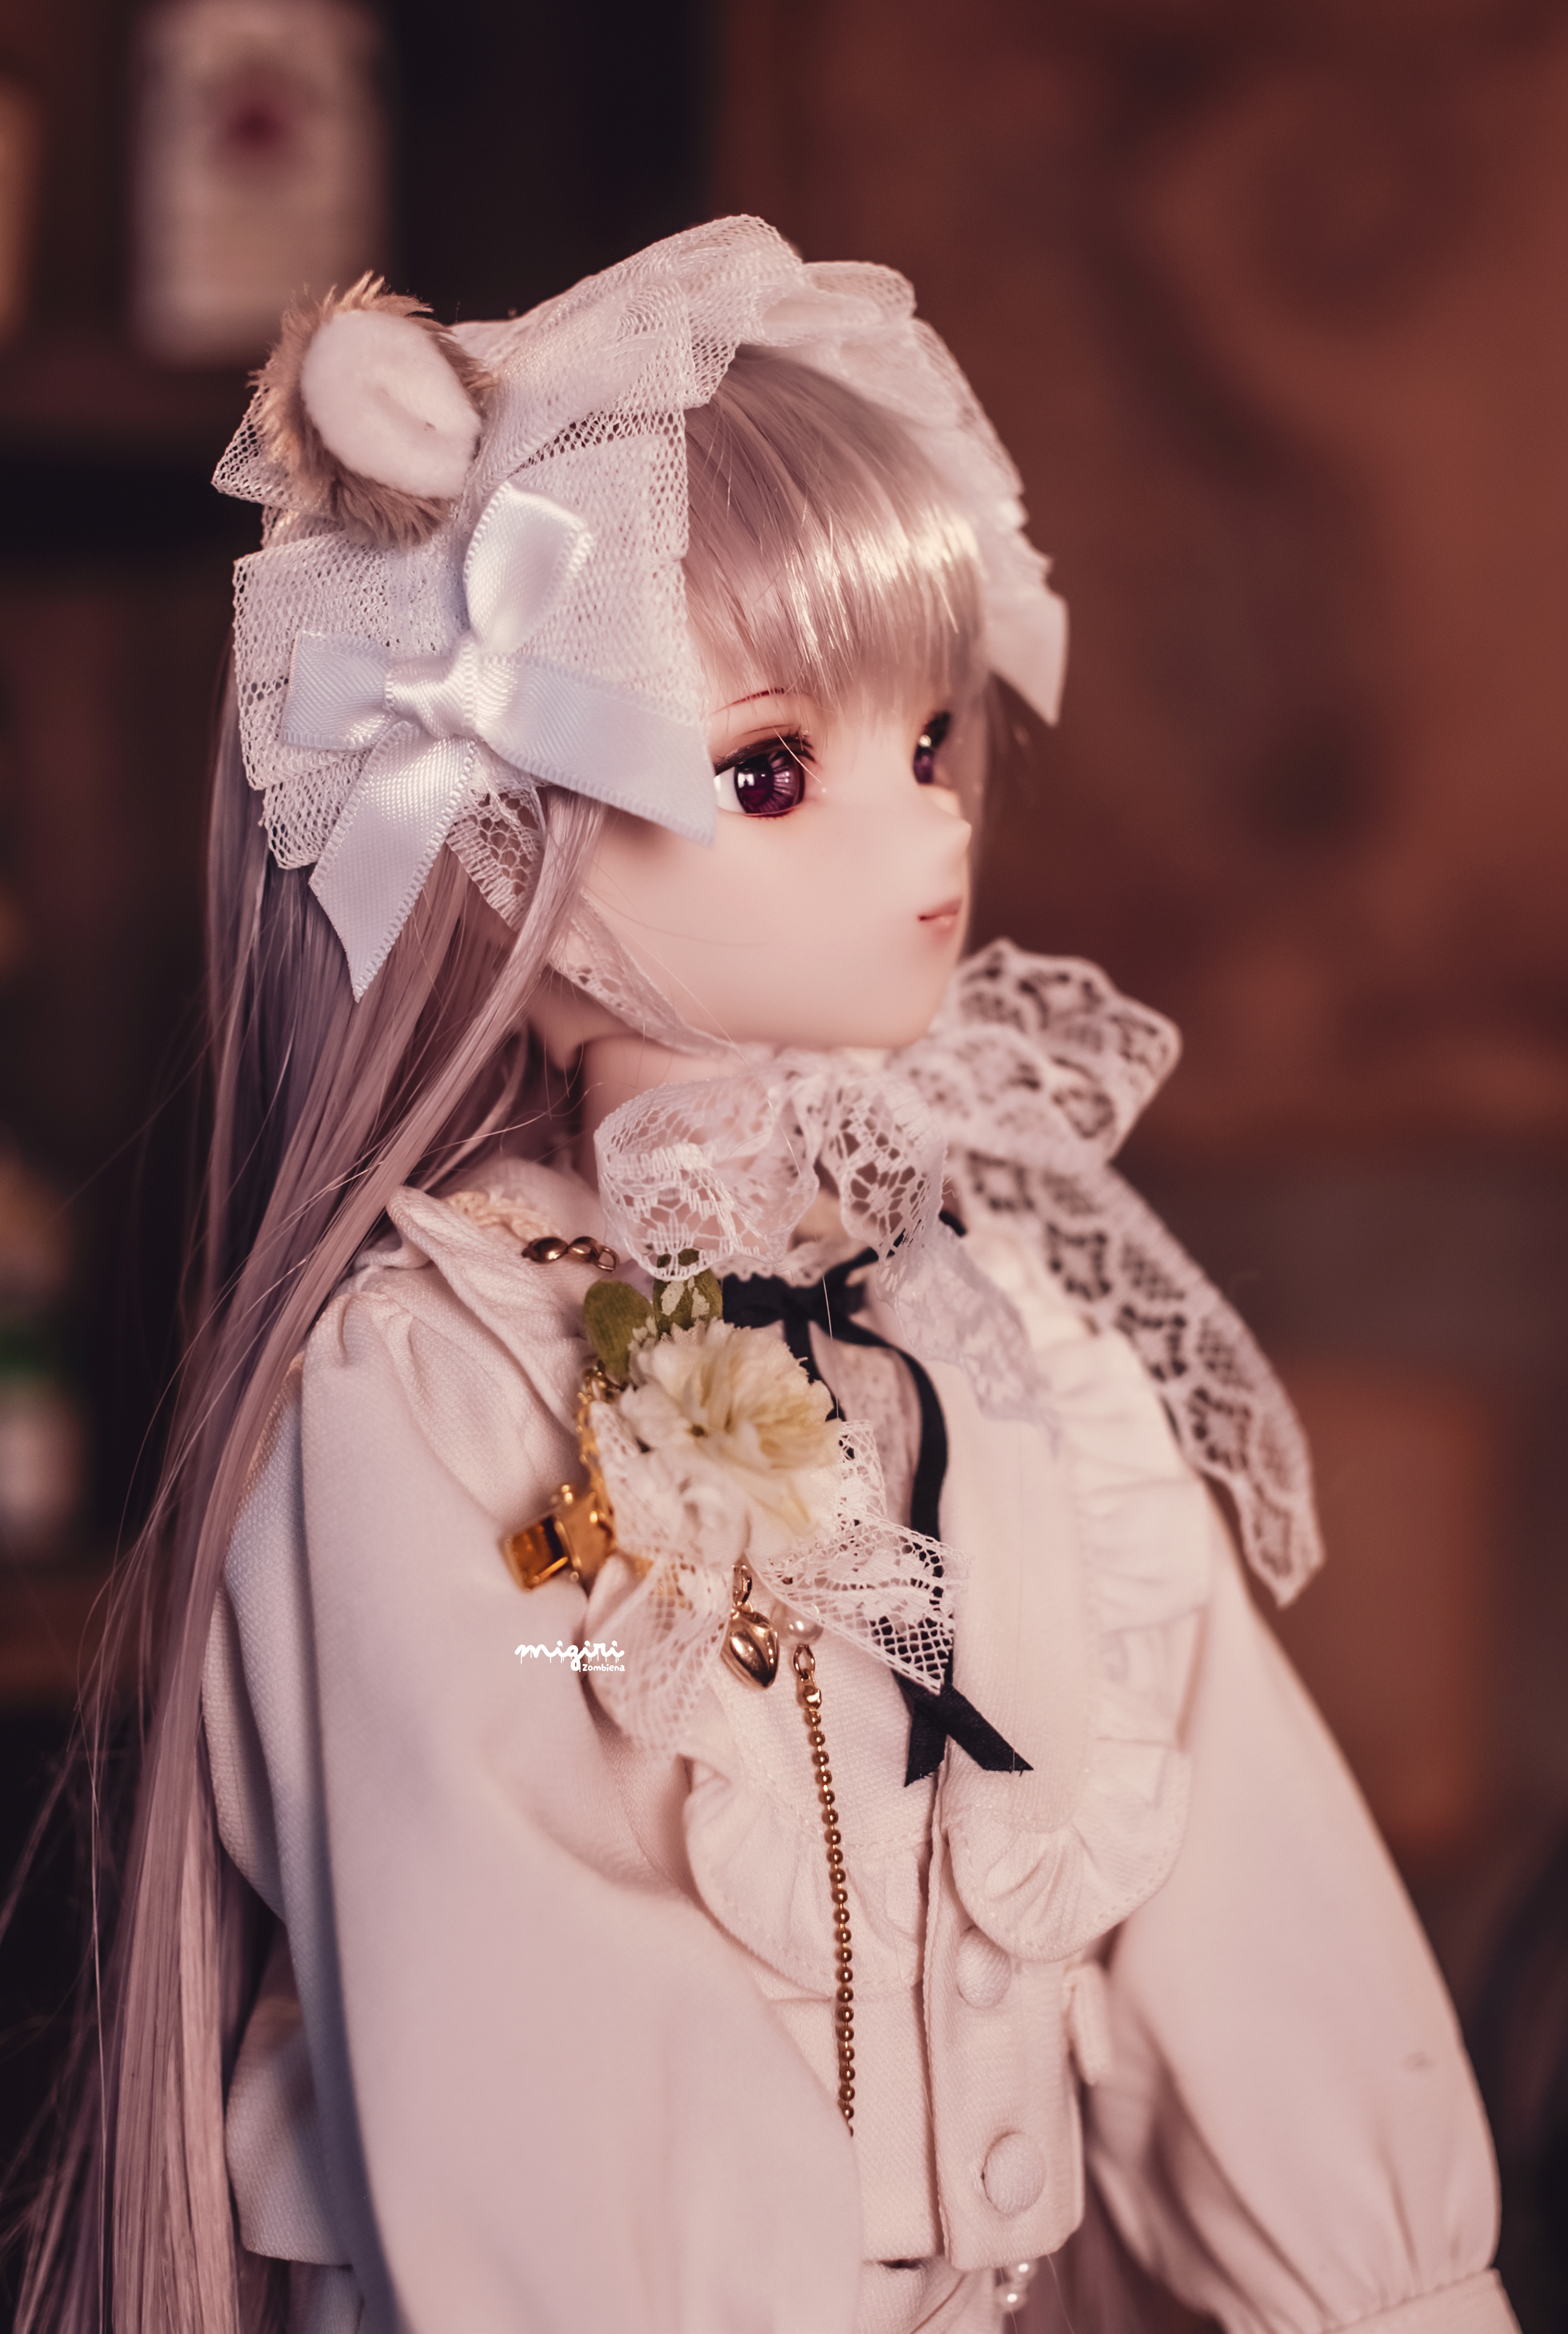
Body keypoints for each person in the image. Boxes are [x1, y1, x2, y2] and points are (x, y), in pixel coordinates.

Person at [18, 218, 1513, 2334]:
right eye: (768, 771)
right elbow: (529, 1990)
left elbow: (1239, 1875)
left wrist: (1389, 2287)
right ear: (494, 841)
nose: (931, 835)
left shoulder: (990, 1334)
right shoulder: (435, 1381)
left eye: (934, 742)